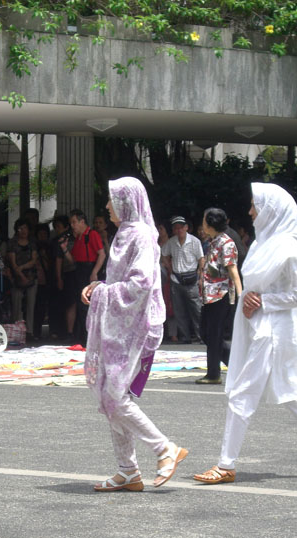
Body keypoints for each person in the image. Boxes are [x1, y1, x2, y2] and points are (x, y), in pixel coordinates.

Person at [193, 183, 297, 485]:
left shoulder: (289, 250)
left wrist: (263, 301)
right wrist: (253, 299)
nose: (251, 212)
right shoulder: (263, 244)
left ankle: (226, 465)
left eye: (256, 206)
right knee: (290, 393)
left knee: (242, 395)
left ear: (272, 211)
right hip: (263, 330)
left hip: (272, 334)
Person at [83, 176, 188, 492]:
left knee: (114, 396)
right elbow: (121, 280)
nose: (107, 206)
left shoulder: (141, 235)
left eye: (111, 199)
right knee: (112, 395)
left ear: (126, 202)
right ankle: (127, 470)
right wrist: (100, 287)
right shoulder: (124, 234)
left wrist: (102, 293)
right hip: (119, 326)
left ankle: (164, 448)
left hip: (138, 326)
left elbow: (140, 284)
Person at [197, 208, 242, 385]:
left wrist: (240, 295)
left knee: (214, 335)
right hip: (209, 295)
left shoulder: (226, 243)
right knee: (206, 333)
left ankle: (213, 373)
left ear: (211, 223)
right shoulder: (212, 241)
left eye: (204, 220)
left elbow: (233, 270)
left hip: (220, 296)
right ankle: (237, 366)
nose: (202, 223)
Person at [161, 215, 204, 343]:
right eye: (176, 228)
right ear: (173, 230)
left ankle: (201, 335)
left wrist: (200, 275)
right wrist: (170, 268)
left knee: (196, 309)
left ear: (186, 228)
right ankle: (185, 337)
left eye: (181, 227)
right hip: (176, 278)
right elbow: (164, 255)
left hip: (192, 278)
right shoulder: (171, 242)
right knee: (179, 310)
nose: (179, 230)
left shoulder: (195, 241)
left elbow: (201, 259)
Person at [69, 209, 105, 344]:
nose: (72, 225)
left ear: (82, 221)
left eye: (74, 222)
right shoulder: (78, 237)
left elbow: (102, 254)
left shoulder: (92, 234)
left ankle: (88, 337)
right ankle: (82, 336)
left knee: (87, 303)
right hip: (79, 269)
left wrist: (94, 272)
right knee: (80, 303)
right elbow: (73, 258)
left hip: (89, 269)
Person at [7, 218, 38, 337]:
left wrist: (23, 268)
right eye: (20, 228)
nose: (23, 231)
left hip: (31, 276)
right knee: (16, 304)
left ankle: (29, 331)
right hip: (16, 278)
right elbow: (13, 263)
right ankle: (17, 331)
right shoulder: (12, 243)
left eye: (25, 228)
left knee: (31, 304)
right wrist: (21, 275)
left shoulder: (32, 242)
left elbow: (34, 260)